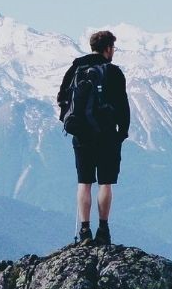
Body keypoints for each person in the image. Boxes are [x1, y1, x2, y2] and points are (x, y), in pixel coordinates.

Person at [56, 29, 130, 246]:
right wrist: (122, 132)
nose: (113, 51)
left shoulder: (75, 69)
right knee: (105, 183)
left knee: (84, 182)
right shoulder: (113, 72)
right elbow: (122, 105)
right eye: (113, 47)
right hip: (107, 135)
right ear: (108, 48)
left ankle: (84, 230)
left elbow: (62, 99)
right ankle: (103, 230)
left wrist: (72, 124)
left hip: (81, 134)